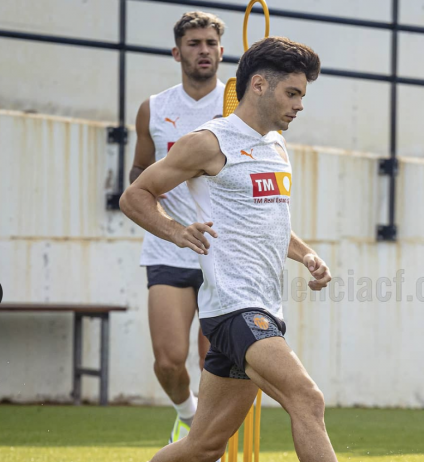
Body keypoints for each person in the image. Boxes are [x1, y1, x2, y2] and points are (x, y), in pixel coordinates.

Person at [121, 36, 337, 462]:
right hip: (235, 309)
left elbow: (268, 221)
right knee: (307, 399)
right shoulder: (208, 142)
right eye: (292, 93)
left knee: (203, 446)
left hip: (262, 307)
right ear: (258, 85)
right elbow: (135, 195)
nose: (299, 105)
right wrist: (176, 231)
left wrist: (307, 255)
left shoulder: (276, 146)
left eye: (302, 95)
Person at [129, 11, 226, 443]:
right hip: (168, 247)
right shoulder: (154, 108)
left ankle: (204, 438)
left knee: (214, 363)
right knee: (169, 362)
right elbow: (138, 174)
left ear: (222, 51)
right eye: (193, 43)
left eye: (209, 43)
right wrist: (160, 195)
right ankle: (188, 417)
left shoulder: (238, 106)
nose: (202, 50)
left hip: (222, 250)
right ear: (177, 52)